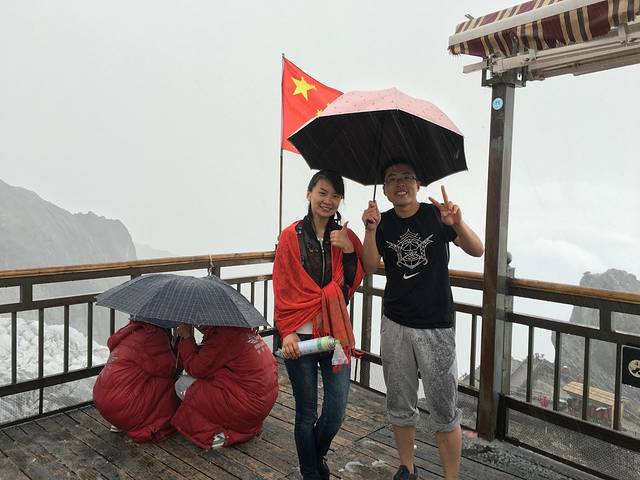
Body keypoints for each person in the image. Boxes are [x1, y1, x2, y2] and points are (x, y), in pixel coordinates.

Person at [361, 160, 484, 480]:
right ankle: (407, 468)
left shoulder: (436, 215)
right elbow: (369, 266)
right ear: (384, 190)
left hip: (436, 325)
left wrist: (458, 223)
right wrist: (370, 230)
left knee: (444, 407)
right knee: (400, 402)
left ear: (418, 184)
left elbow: (477, 250)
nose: (400, 183)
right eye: (392, 179)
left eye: (407, 177)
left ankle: (451, 477)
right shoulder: (383, 223)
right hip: (396, 323)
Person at [272, 169, 364, 480]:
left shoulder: (344, 237)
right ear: (309, 194)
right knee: (306, 413)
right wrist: (286, 332)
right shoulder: (291, 236)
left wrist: (349, 251)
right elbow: (283, 285)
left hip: (335, 336)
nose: (328, 200)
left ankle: (315, 455)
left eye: (335, 195)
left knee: (336, 412)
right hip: (299, 338)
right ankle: (312, 472)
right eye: (322, 192)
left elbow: (348, 287)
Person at [170, 324, 278, 449]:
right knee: (201, 385)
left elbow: (195, 368)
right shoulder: (241, 330)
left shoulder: (223, 338)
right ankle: (239, 425)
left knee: (182, 385)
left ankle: (219, 431)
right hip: (259, 405)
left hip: (246, 408)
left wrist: (187, 337)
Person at [93, 319, 180, 442]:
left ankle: (121, 422)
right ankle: (150, 422)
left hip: (102, 400)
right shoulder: (153, 336)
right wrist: (183, 341)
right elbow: (170, 369)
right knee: (171, 384)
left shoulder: (130, 332)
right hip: (122, 406)